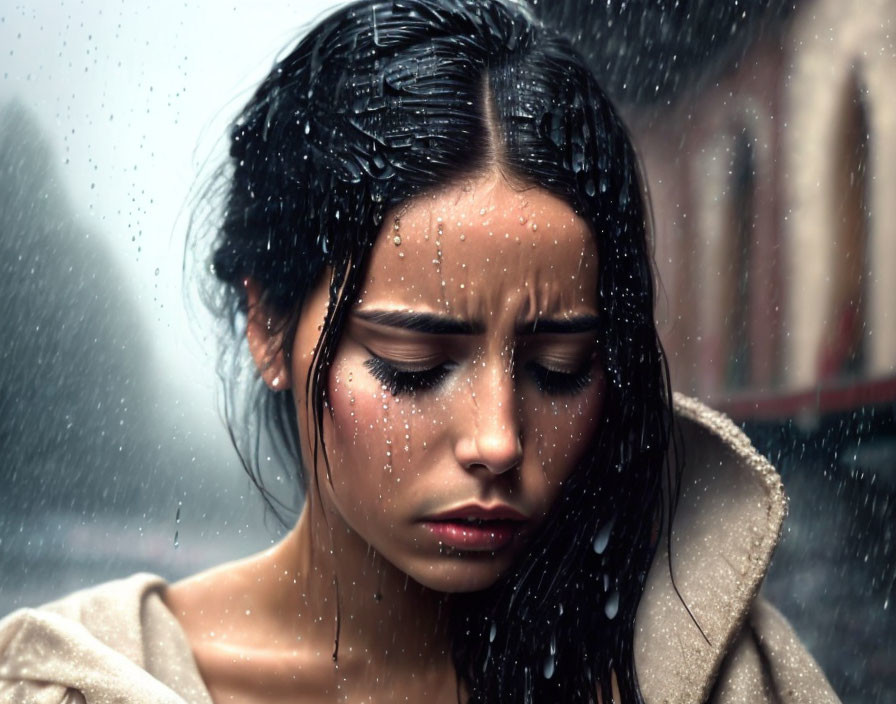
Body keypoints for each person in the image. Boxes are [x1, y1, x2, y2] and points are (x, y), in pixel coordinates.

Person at [0, 1, 839, 702]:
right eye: (414, 365)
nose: (499, 440)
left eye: (559, 370)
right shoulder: (64, 682)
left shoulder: (718, 670)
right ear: (265, 326)